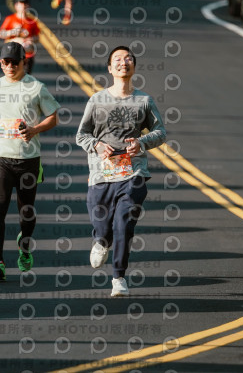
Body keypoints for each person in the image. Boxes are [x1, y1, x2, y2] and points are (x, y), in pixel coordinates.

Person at [75, 46, 166, 297]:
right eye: (117, 59)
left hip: (133, 173)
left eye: (128, 59)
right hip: (101, 174)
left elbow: (161, 132)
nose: (123, 62)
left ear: (133, 66)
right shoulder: (97, 100)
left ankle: (119, 277)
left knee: (123, 224)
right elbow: (81, 135)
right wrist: (96, 145)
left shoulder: (144, 101)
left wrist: (142, 143)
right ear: (109, 68)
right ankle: (101, 241)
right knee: (103, 227)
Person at [0, 42, 60, 283]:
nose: (10, 66)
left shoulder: (36, 87)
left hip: (28, 160)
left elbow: (53, 117)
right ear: (1, 63)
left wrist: (34, 130)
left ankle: (24, 245)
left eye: (15, 62)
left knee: (26, 212)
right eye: (6, 62)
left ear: (24, 62)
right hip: (0, 158)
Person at [0, 0, 40, 74]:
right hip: (12, 54)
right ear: (16, 6)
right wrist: (13, 32)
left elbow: (37, 38)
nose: (23, 6)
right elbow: (1, 34)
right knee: (13, 76)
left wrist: (30, 39)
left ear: (28, 6)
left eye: (25, 4)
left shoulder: (32, 21)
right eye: (21, 4)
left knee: (26, 77)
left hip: (27, 55)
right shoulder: (10, 19)